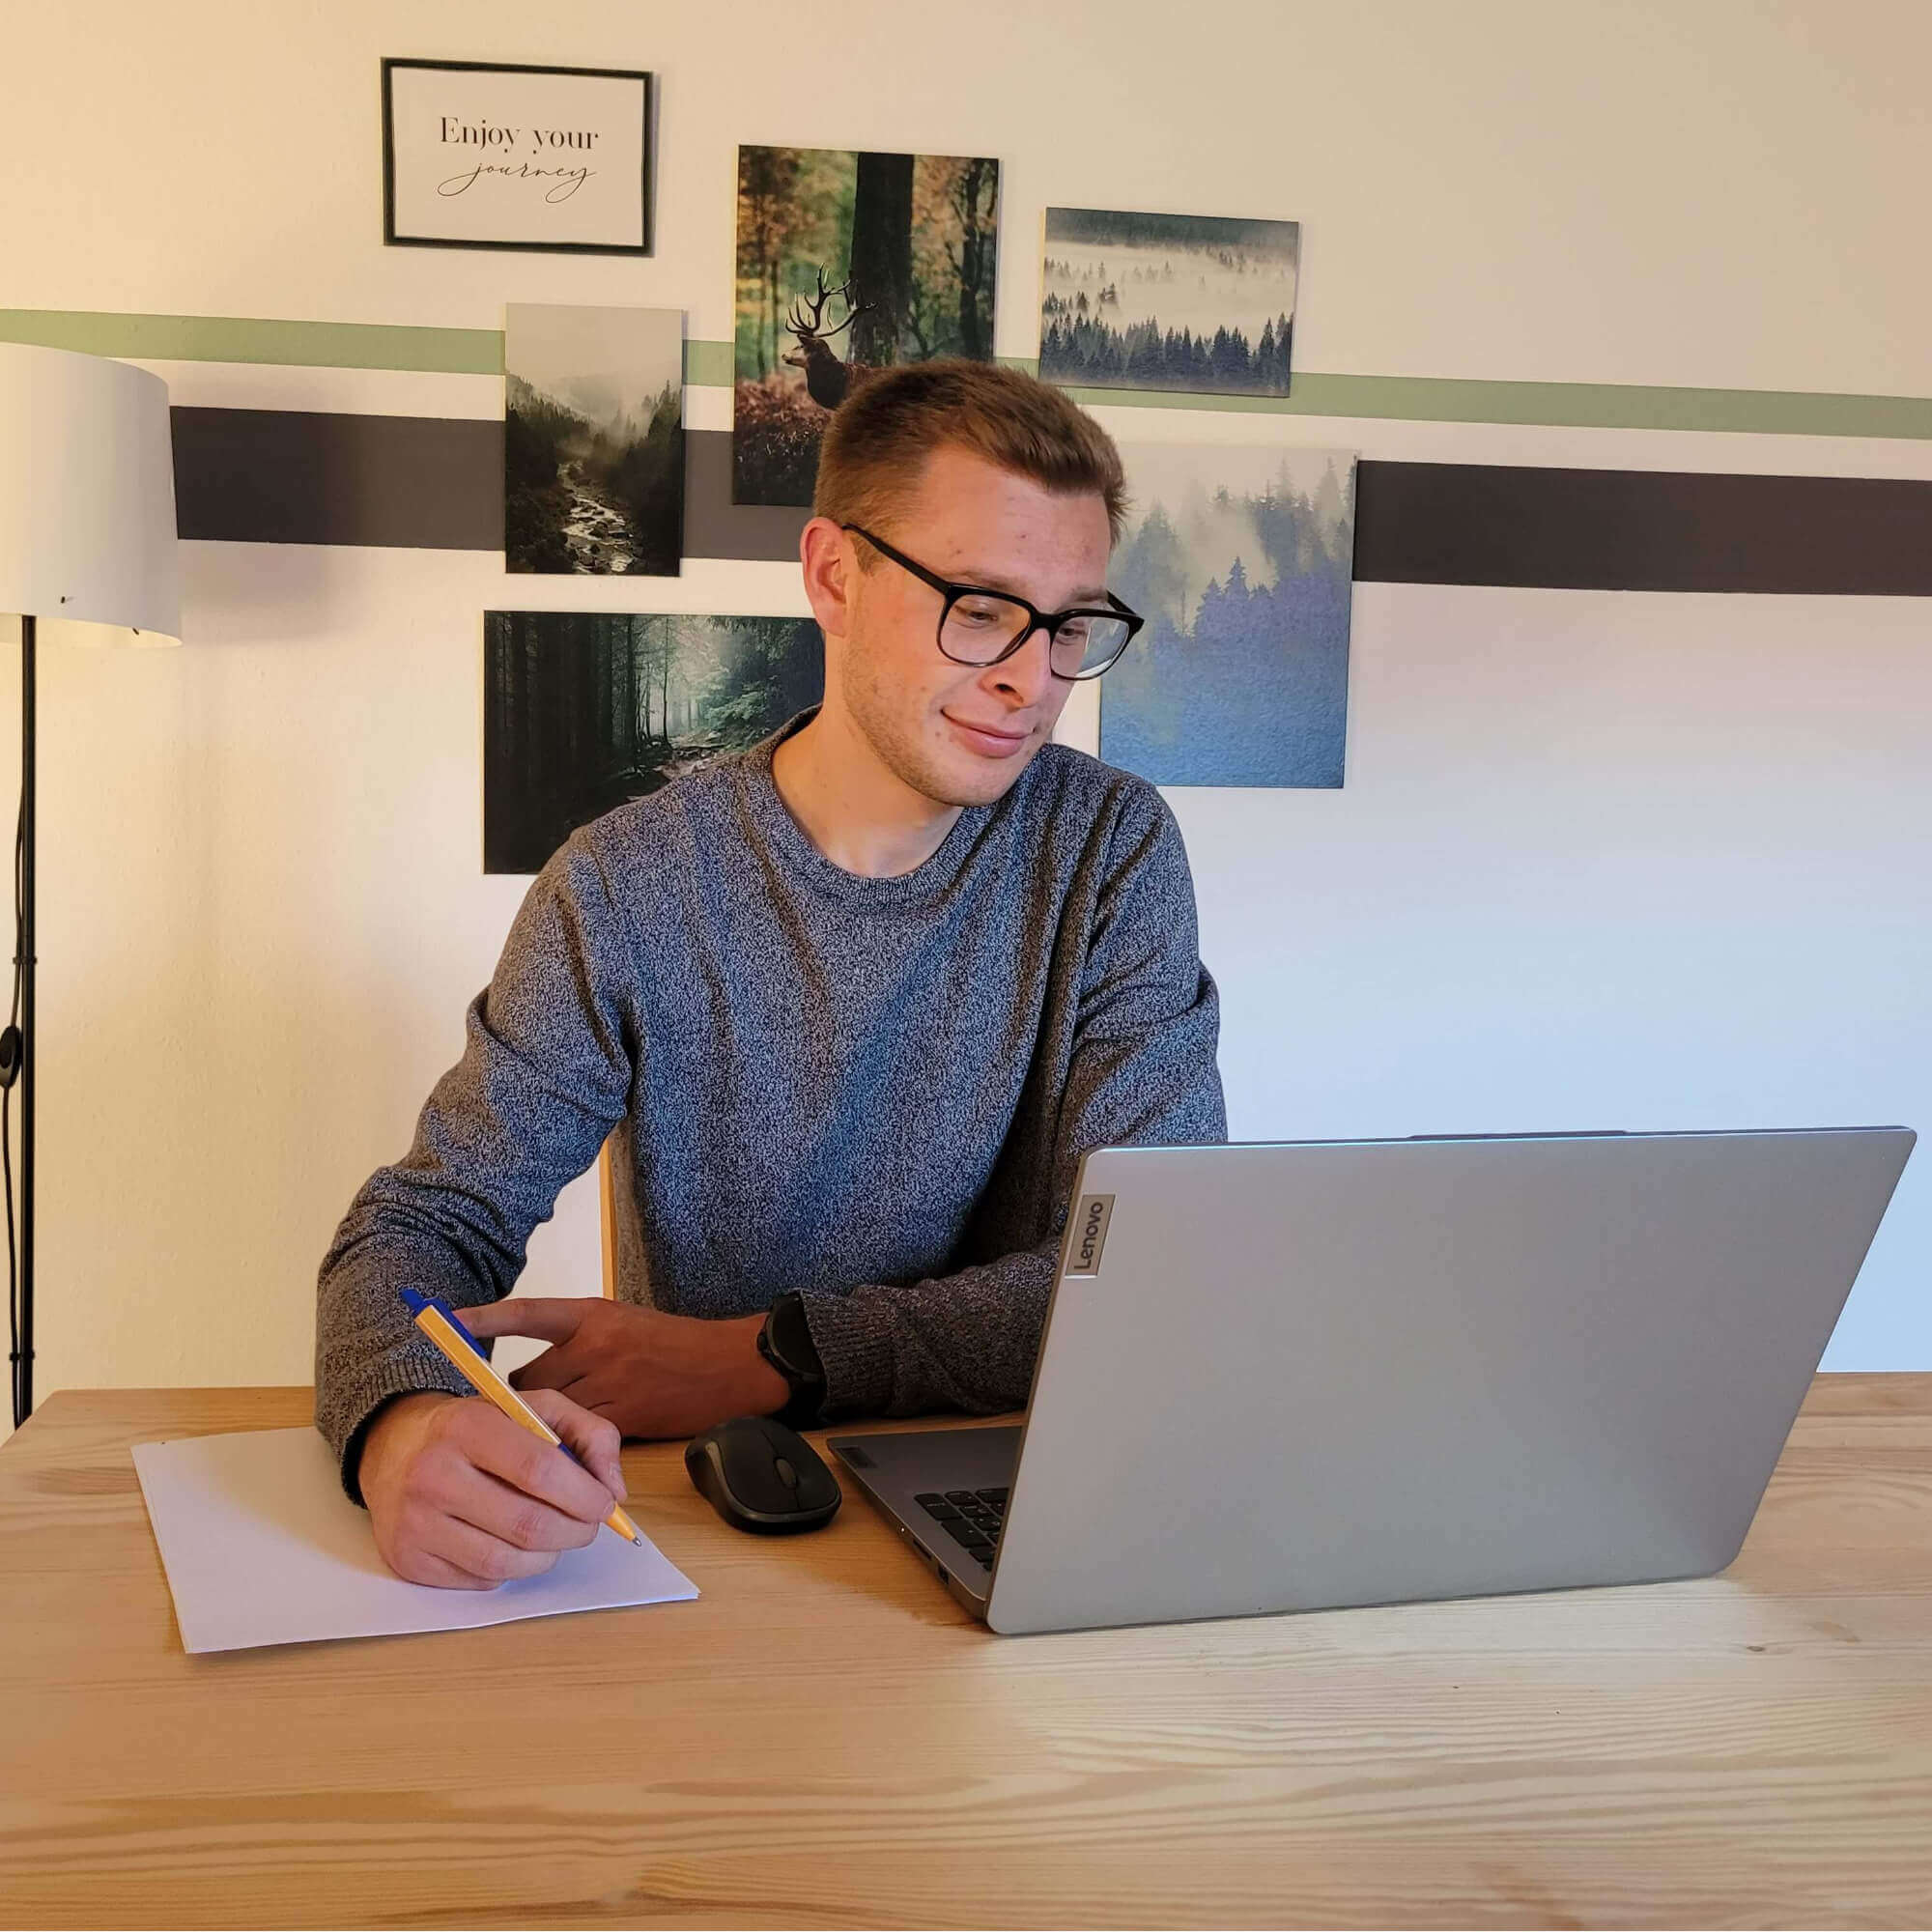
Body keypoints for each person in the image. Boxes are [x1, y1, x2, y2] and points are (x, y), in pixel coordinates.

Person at [314, 357, 1228, 1591]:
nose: (1034, 675)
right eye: (979, 605)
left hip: (1033, 1505)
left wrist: (771, 1351)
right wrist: (402, 1425)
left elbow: (1153, 1268)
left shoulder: (1110, 849)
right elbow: (424, 1225)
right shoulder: (626, 887)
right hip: (712, 1530)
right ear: (833, 576)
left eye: (1072, 622)